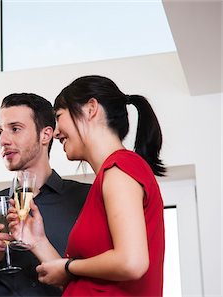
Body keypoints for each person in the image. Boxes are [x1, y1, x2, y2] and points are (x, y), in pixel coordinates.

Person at [9, 75, 165, 296]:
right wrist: (37, 241)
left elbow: (132, 262)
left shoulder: (120, 168)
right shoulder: (109, 176)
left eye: (59, 117)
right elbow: (82, 282)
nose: (55, 133)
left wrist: (68, 266)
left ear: (91, 109)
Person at [0, 93, 90, 296]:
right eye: (0, 131)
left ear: (45, 135)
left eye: (15, 129)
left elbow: (100, 284)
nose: (3, 140)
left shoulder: (86, 199)